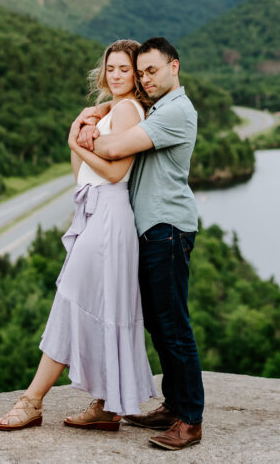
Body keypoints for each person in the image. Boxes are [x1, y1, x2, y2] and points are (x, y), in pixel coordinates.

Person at [0, 40, 157, 431]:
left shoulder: (126, 110)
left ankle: (32, 400)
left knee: (71, 302)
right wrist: (83, 129)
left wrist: (74, 140)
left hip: (109, 216)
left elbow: (117, 174)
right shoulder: (110, 110)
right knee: (97, 307)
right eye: (111, 68)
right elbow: (82, 174)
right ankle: (106, 405)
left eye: (125, 69)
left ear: (136, 75)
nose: (116, 75)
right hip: (96, 211)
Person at [75, 36, 204, 451]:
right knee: (158, 323)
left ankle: (190, 421)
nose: (145, 79)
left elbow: (113, 146)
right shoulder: (159, 108)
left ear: (174, 67)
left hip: (167, 228)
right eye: (141, 72)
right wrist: (102, 108)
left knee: (173, 325)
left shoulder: (176, 112)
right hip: (153, 229)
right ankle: (174, 404)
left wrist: (85, 133)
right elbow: (126, 106)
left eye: (152, 70)